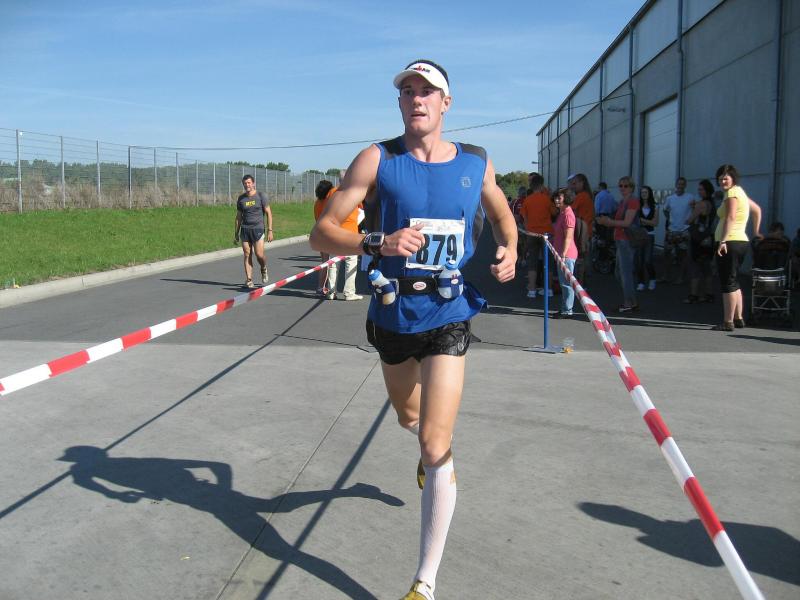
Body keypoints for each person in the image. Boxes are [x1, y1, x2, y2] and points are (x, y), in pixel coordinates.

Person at [310, 59, 517, 600]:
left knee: (434, 440)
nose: (417, 98)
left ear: (446, 103)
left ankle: (424, 583)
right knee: (409, 417)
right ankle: (430, 458)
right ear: (399, 102)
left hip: (449, 311)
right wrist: (376, 242)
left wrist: (511, 248)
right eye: (407, 91)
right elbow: (321, 233)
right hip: (393, 313)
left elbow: (502, 216)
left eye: (428, 91)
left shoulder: (475, 161)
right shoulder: (378, 159)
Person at [713, 164, 762, 331]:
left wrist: (723, 241)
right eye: (720, 179)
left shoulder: (732, 193)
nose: (722, 181)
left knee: (727, 282)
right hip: (740, 241)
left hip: (730, 242)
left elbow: (731, 217)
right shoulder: (740, 192)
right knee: (734, 280)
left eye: (725, 178)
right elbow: (757, 210)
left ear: (733, 178)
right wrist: (756, 231)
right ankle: (738, 318)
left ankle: (728, 322)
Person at [317, 171, 364, 301]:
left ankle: (331, 292)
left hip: (335, 233)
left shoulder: (332, 193)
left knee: (333, 263)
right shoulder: (354, 192)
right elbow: (361, 207)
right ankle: (349, 292)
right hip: (350, 233)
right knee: (351, 262)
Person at [596, 176, 640, 312]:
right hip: (620, 239)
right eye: (620, 185)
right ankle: (631, 301)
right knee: (619, 272)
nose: (622, 188)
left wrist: (609, 222)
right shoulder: (622, 202)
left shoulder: (632, 201)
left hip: (626, 240)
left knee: (625, 273)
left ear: (631, 187)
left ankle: (629, 302)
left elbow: (627, 222)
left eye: (626, 186)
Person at [519, 173, 556, 298]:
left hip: (532, 233)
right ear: (541, 186)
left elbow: (524, 216)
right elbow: (554, 212)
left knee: (532, 262)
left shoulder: (527, 200)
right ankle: (548, 289)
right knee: (548, 262)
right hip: (546, 233)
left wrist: (528, 227)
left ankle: (532, 289)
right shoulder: (546, 199)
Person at [234, 174, 273, 288]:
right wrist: (236, 233)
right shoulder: (241, 198)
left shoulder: (261, 196)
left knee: (259, 254)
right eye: (245, 183)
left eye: (249, 183)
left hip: (258, 229)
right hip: (245, 230)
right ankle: (249, 279)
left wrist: (270, 230)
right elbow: (238, 217)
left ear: (253, 183)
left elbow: (269, 213)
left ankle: (263, 268)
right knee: (247, 254)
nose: (247, 185)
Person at [684, 179, 716, 303]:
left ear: (707, 190)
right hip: (709, 238)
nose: (699, 191)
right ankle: (709, 294)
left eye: (701, 189)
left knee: (695, 267)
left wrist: (692, 210)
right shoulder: (712, 203)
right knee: (707, 267)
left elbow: (690, 220)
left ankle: (694, 295)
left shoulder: (701, 204)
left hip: (698, 238)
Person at [550, 187, 578, 318]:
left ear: (566, 199)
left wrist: (563, 255)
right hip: (561, 253)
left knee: (567, 284)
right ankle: (565, 308)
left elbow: (568, 237)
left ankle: (567, 310)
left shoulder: (568, 214)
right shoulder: (562, 213)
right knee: (563, 283)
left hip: (567, 254)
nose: (556, 200)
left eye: (559, 198)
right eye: (555, 198)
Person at [661, 176, 695, 285]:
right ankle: (666, 276)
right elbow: (665, 210)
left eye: (682, 184)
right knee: (667, 255)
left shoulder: (690, 197)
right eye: (679, 184)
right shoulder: (670, 198)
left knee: (682, 256)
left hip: (683, 231)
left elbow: (695, 210)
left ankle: (680, 278)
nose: (680, 186)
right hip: (671, 230)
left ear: (685, 185)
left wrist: (689, 222)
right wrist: (670, 220)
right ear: (676, 185)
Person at [567, 173, 595, 283]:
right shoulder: (587, 195)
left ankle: (580, 282)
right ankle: (582, 282)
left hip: (582, 231)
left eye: (575, 183)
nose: (573, 186)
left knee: (580, 258)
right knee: (583, 257)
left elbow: (570, 210)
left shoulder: (581, 196)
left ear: (582, 183)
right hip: (586, 229)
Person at [314, 179, 335, 297]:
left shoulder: (317, 203)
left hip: (319, 233)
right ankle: (320, 287)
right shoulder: (328, 202)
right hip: (326, 234)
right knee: (327, 263)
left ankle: (321, 286)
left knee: (324, 261)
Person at [635, 185, 658, 291]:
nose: (644, 194)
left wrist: (643, 221)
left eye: (646, 192)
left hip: (650, 234)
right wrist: (648, 222)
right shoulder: (637, 206)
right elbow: (635, 221)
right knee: (639, 260)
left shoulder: (655, 206)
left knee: (648, 260)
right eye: (642, 192)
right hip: (639, 235)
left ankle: (652, 278)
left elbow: (655, 223)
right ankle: (641, 282)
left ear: (649, 194)